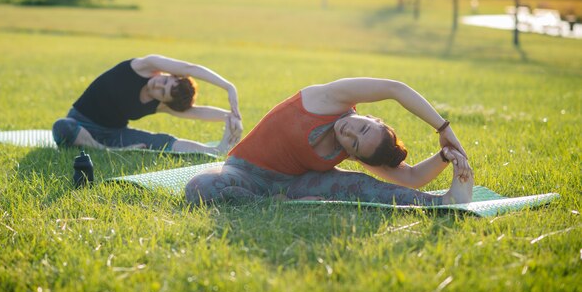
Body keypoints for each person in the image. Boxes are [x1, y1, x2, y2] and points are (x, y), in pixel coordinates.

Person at [185, 78, 474, 205]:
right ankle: (277, 203)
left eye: (355, 144)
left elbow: (410, 177)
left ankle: (444, 203)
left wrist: (445, 157)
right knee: (200, 188)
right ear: (370, 116)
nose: (349, 133)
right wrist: (443, 128)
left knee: (362, 185)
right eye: (361, 128)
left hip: (296, 184)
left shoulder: (347, 148)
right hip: (244, 173)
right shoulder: (328, 99)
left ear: (353, 153)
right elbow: (394, 88)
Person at [52, 55, 243, 154]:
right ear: (170, 75)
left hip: (114, 134)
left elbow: (196, 113)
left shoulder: (160, 105)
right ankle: (104, 150)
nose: (159, 85)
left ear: (165, 101)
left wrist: (230, 116)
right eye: (166, 81)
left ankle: (215, 151)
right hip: (79, 123)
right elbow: (189, 68)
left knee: (161, 140)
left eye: (163, 92)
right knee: (62, 126)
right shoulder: (144, 66)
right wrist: (228, 87)